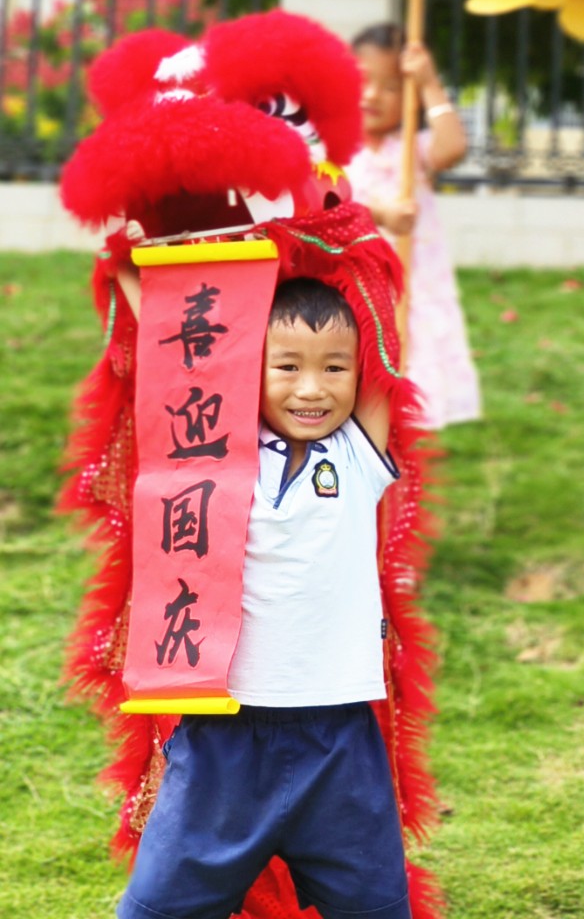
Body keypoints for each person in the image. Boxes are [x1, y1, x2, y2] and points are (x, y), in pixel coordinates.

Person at [116, 277, 412, 919]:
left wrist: (384, 253)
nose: (313, 388)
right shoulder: (210, 451)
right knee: (155, 911)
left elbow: (392, 353)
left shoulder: (358, 453)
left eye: (335, 367)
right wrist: (123, 264)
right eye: (287, 366)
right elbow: (177, 351)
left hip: (339, 737)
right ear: (247, 365)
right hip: (222, 732)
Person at [344, 23, 481, 429]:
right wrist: (379, 215)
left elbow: (452, 148)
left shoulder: (411, 148)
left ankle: (406, 481)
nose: (372, 95)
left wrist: (429, 81)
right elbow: (322, 207)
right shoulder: (332, 148)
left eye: (390, 87)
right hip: (356, 287)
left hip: (412, 288)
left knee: (409, 399)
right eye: (363, 81)